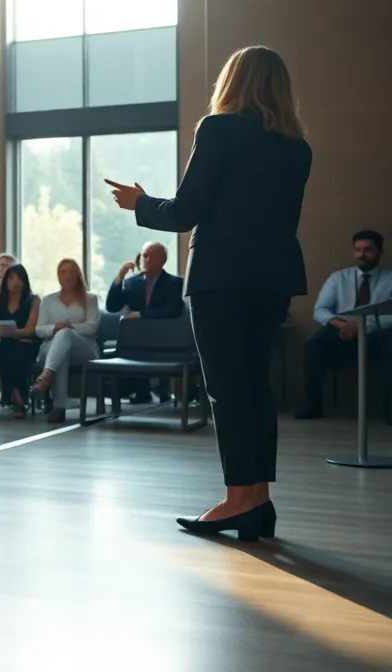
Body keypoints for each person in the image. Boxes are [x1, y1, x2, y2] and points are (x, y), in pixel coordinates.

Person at [107, 45, 311, 540]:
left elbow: (182, 212)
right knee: (256, 387)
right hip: (273, 280)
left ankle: (238, 499)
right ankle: (258, 500)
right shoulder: (297, 147)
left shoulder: (218, 129)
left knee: (227, 389)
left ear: (232, 81)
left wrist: (139, 202)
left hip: (221, 278)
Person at [299, 230, 392, 420]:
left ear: (380, 252)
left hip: (379, 337)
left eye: (368, 250)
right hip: (341, 335)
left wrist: (362, 325)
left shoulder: (390, 279)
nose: (362, 254)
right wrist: (342, 325)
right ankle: (312, 406)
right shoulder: (338, 278)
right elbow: (320, 310)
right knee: (312, 343)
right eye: (357, 250)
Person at [106, 241, 186, 403]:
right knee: (129, 338)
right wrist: (119, 278)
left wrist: (141, 314)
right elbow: (112, 307)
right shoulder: (132, 283)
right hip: (138, 338)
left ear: (162, 260)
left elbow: (172, 311)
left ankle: (158, 387)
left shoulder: (174, 283)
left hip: (164, 337)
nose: (145, 259)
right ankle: (141, 390)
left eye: (150, 256)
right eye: (144, 255)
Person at [32, 259, 101, 423]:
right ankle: (59, 405)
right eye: (63, 271)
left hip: (84, 348)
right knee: (62, 352)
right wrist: (55, 328)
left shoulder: (90, 299)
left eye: (71, 271)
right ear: (58, 275)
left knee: (65, 335)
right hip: (50, 348)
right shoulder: (48, 300)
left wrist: (68, 327)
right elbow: (39, 330)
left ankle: (46, 378)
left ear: (78, 274)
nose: (68, 275)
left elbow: (92, 327)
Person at [0, 264, 41, 418]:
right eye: (11, 278)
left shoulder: (33, 300)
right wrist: (1, 332)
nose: (15, 282)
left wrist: (15, 332)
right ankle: (19, 397)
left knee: (14, 348)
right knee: (7, 347)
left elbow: (31, 329)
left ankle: (14, 395)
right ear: (5, 280)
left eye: (19, 278)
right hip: (2, 343)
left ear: (25, 281)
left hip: (27, 344)